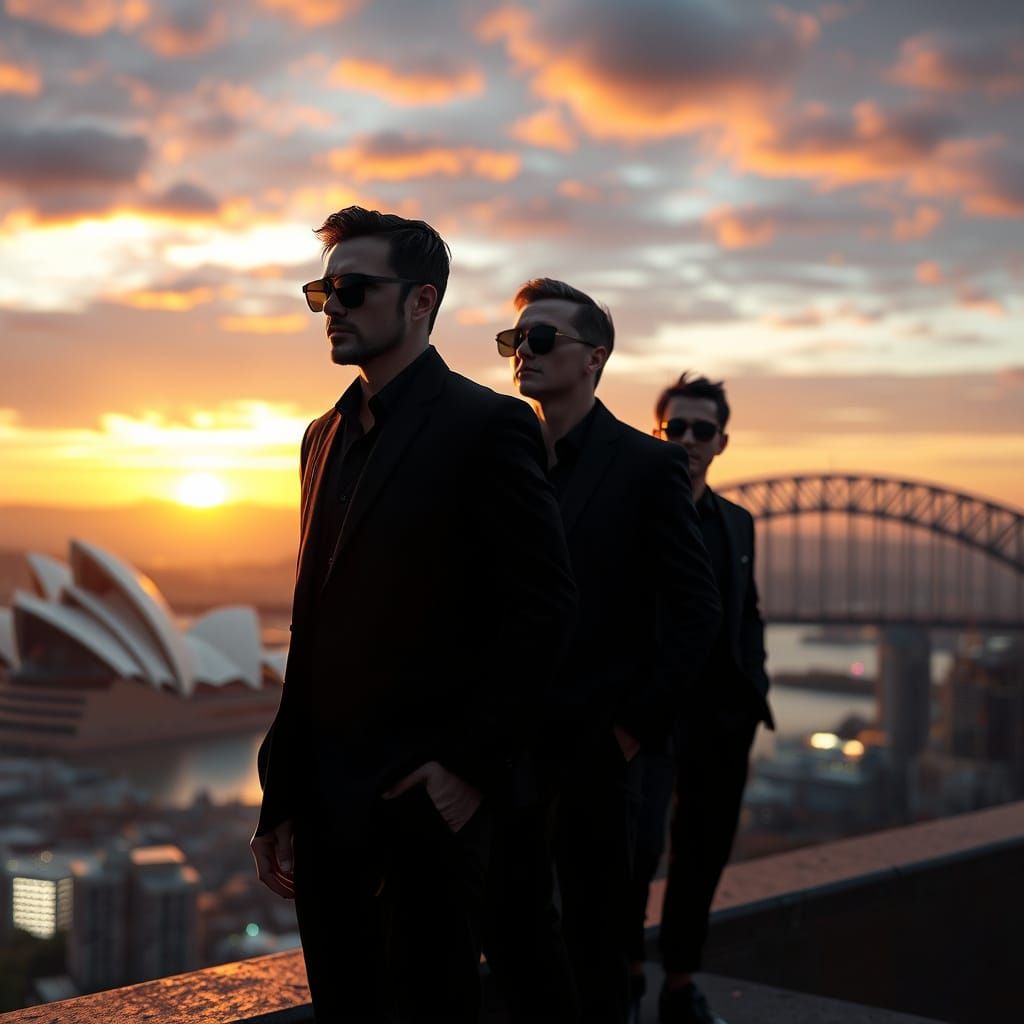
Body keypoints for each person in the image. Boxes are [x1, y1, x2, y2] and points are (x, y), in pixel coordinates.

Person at [249, 209, 577, 1023]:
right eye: (324, 288)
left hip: (420, 802)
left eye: (353, 288)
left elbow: (543, 609)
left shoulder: (488, 425)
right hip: (324, 808)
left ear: (422, 301)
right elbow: (311, 627)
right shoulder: (320, 436)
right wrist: (280, 794)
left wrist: (471, 768)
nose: (332, 305)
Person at [484, 280, 720, 1024]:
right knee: (513, 945)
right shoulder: (501, 456)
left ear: (595, 357)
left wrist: (628, 731)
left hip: (595, 758)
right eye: (515, 339)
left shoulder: (645, 467)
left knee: (594, 952)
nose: (525, 350)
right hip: (505, 753)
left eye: (543, 338)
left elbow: (698, 610)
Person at [630, 373, 774, 1024]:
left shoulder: (737, 523)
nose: (688, 440)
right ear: (658, 432)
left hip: (720, 719)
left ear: (722, 442)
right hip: (648, 719)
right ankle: (625, 977)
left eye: (702, 430)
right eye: (676, 427)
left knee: (702, 855)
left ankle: (680, 985)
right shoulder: (628, 512)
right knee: (634, 853)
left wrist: (755, 686)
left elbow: (748, 611)